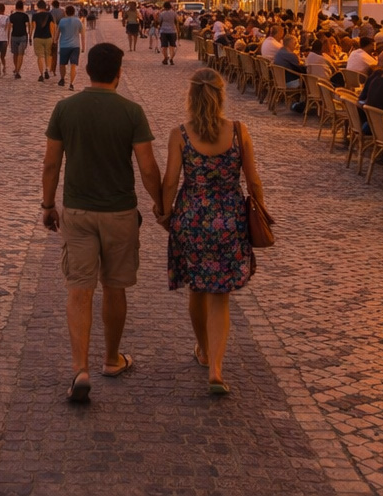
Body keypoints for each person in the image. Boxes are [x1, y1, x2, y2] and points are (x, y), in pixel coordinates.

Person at [41, 43, 163, 404]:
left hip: (78, 212)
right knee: (114, 286)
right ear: (119, 73)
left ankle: (81, 368)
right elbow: (148, 168)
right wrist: (161, 204)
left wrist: (48, 205)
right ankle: (111, 359)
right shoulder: (131, 112)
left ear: (88, 70)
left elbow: (51, 164)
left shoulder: (65, 108)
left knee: (79, 289)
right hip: (120, 213)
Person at [161, 69, 260, 397]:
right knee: (220, 297)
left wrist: (165, 213)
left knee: (197, 288)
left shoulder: (180, 134)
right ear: (221, 95)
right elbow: (253, 180)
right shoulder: (238, 131)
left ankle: (203, 350)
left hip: (193, 218)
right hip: (230, 220)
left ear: (191, 96)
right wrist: (260, 210)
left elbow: (171, 180)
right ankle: (216, 369)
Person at [56, 5, 85, 90]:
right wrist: (83, 47)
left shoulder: (62, 21)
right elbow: (83, 35)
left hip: (64, 46)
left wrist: (55, 40)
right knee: (73, 65)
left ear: (66, 12)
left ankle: (62, 79)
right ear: (74, 12)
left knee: (62, 64)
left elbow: (57, 33)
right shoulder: (78, 21)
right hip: (75, 46)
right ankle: (71, 83)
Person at [32, 0, 56, 82]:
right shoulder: (49, 15)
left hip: (38, 37)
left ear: (38, 6)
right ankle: (47, 70)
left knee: (40, 56)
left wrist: (30, 36)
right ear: (45, 6)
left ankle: (41, 74)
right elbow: (52, 26)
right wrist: (53, 38)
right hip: (48, 37)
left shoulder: (35, 15)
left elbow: (33, 27)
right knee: (48, 55)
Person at [7, 1, 32, 79]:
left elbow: (9, 28)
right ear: (22, 7)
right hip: (23, 36)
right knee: (21, 54)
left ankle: (16, 68)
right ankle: (17, 71)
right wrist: (30, 36)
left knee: (15, 54)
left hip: (14, 36)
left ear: (16, 7)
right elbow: (29, 26)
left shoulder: (12, 16)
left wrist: (8, 38)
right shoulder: (25, 16)